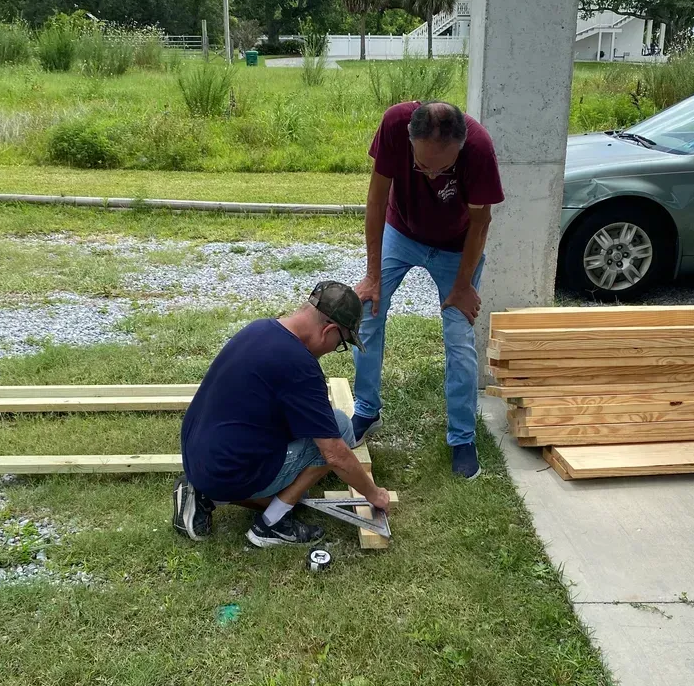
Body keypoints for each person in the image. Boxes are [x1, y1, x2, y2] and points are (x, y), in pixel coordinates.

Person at [173, 282, 391, 548]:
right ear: (330, 330)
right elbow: (335, 453)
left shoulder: (260, 328)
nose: (335, 349)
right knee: (341, 426)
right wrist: (374, 494)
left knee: (301, 487)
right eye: (341, 343)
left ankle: (203, 492)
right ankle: (271, 524)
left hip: (198, 457)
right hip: (228, 472)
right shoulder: (300, 366)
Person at [352, 100, 505, 480]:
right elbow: (374, 199)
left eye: (444, 169)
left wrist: (463, 285)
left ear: (462, 146)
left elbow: (481, 221)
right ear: (410, 140)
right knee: (368, 314)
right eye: (423, 167)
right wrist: (372, 275)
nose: (433, 176)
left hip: (456, 247)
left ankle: (462, 438)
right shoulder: (393, 124)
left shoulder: (480, 148)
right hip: (400, 233)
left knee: (459, 337)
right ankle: (366, 410)